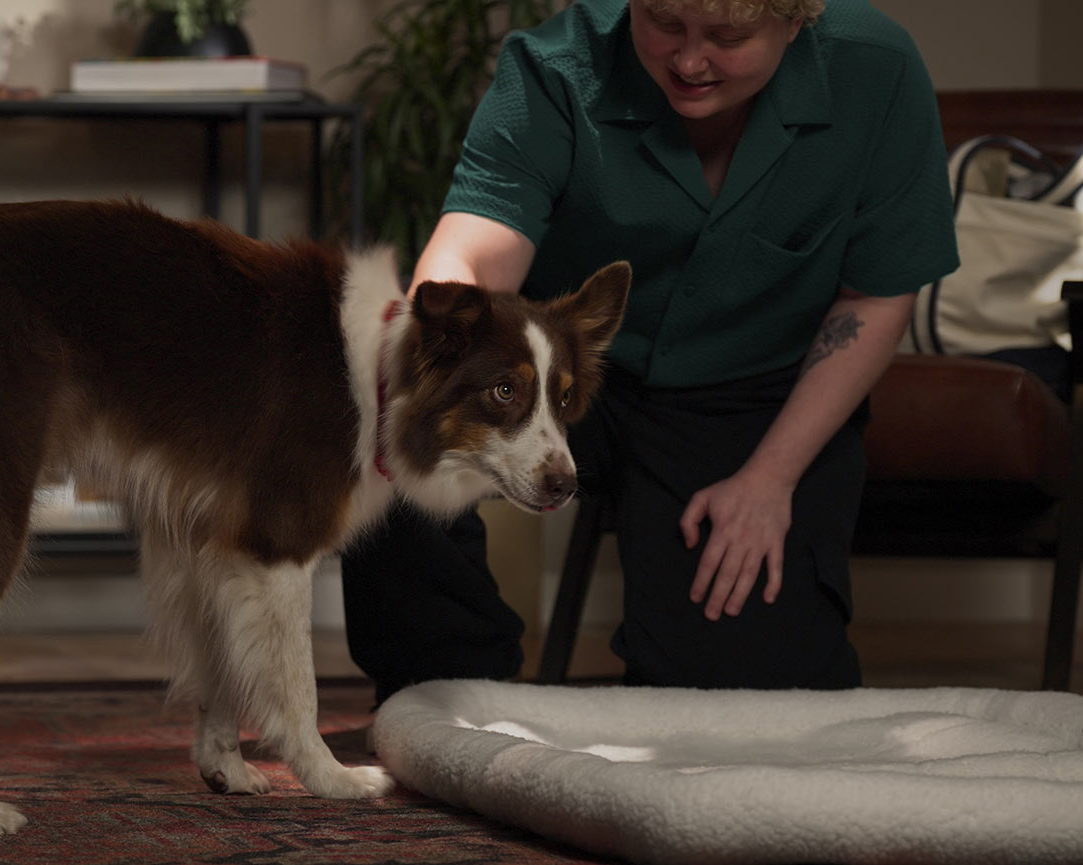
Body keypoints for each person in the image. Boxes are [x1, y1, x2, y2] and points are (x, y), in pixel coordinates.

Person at [343, 0, 960, 703]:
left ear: (797, 21)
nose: (689, 60)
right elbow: (475, 253)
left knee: (746, 703)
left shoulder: (878, 71)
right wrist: (417, 370)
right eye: (664, 24)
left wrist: (769, 480)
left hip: (749, 399)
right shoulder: (552, 68)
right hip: (556, 374)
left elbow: (873, 300)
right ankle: (449, 698)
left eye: (727, 38)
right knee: (386, 416)